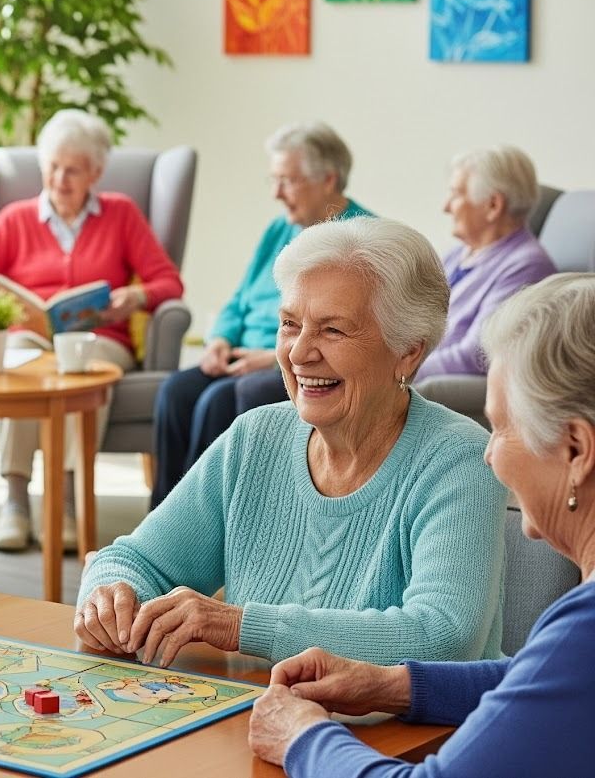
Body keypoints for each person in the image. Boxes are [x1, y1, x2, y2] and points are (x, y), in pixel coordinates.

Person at [76, 218, 505, 668]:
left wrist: (238, 625)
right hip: (255, 719)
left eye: (333, 330)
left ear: (409, 350)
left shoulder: (458, 460)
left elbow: (442, 636)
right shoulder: (255, 437)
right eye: (289, 324)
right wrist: (110, 595)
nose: (299, 353)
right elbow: (136, 560)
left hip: (405, 735)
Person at [250, 274, 595, 776]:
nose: (490, 453)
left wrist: (302, 736)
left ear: (577, 451)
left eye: (501, 428)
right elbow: (540, 681)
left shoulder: (584, 629)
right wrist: (391, 684)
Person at [0, 109, 184, 551]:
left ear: (96, 171)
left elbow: (168, 281)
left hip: (100, 340)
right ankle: (15, 500)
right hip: (31, 333)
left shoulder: (121, 215)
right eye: (52, 166)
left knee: (78, 366)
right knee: (18, 359)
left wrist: (135, 297)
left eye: (72, 169)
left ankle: (67, 501)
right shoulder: (16, 219)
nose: (60, 179)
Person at [151, 122, 372, 509]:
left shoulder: (361, 238)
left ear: (328, 179)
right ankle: (160, 519)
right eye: (274, 180)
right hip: (238, 354)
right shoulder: (278, 230)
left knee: (214, 402)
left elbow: (351, 328)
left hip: (295, 358)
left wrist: (275, 357)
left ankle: (202, 523)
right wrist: (218, 340)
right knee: (175, 391)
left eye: (287, 181)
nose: (276, 193)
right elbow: (239, 299)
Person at [413, 145, 556, 381]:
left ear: (493, 205)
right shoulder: (458, 254)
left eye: (457, 194)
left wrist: (391, 372)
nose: (446, 207)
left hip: (431, 385)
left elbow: (476, 355)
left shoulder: (526, 266)